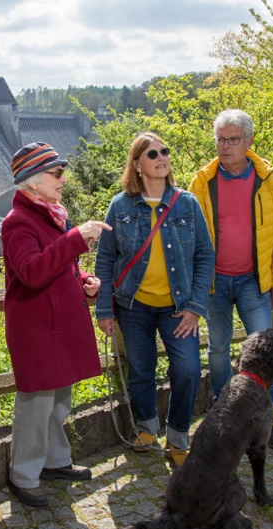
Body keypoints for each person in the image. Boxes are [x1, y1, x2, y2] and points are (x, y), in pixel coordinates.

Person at [95, 132, 216, 466]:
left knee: (189, 370)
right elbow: (105, 259)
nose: (162, 157)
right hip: (133, 306)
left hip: (178, 309)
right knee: (140, 370)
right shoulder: (119, 206)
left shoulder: (187, 203)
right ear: (137, 165)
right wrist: (105, 308)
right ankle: (146, 428)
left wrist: (194, 307)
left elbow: (205, 256)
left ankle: (177, 439)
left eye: (165, 151)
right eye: (152, 154)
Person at [2, 142, 111, 507]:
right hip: (37, 330)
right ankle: (23, 476)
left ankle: (54, 462)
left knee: (59, 401)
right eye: (56, 173)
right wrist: (76, 238)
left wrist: (84, 281)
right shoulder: (17, 222)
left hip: (57, 326)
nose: (63, 179)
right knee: (36, 405)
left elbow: (61, 267)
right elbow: (32, 272)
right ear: (32, 182)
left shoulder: (50, 215)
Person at [188, 109, 273, 452]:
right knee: (218, 349)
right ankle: (224, 412)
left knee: (264, 352)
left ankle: (267, 422)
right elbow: (190, 236)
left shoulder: (270, 179)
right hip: (214, 283)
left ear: (249, 142)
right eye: (221, 139)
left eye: (233, 139)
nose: (226, 146)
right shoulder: (202, 182)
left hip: (254, 281)